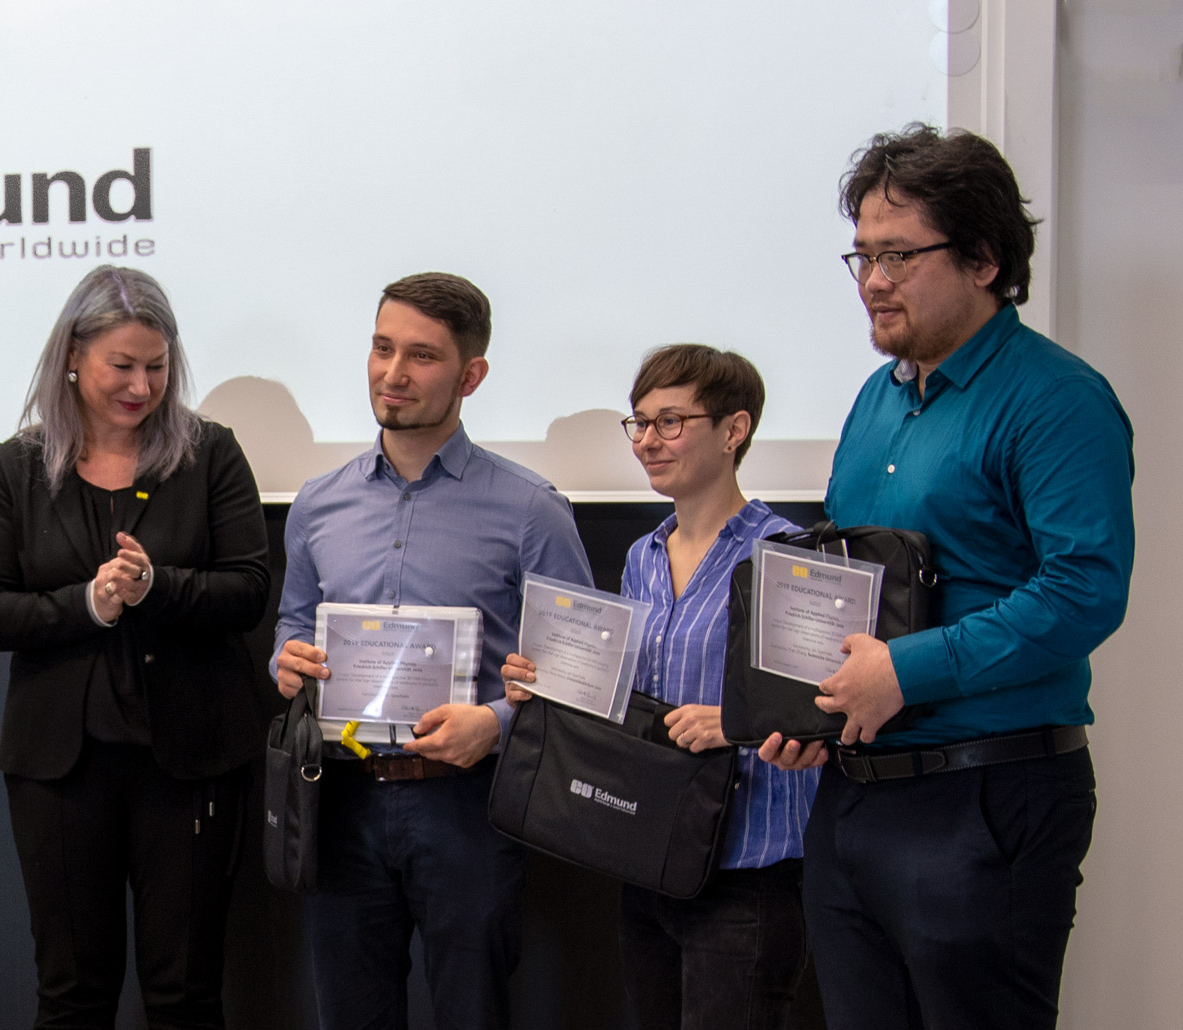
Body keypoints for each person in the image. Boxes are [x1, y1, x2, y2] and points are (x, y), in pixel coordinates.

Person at [758, 124, 1134, 1029]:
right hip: (853, 800)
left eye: (898, 255)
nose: (874, 281)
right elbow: (849, 573)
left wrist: (904, 673)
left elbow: (1084, 588)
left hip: (984, 797)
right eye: (862, 255)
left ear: (982, 257)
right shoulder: (876, 398)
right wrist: (803, 707)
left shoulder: (1056, 399)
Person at [272, 271, 594, 1029]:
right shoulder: (319, 503)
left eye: (420, 356)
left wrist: (497, 723)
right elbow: (291, 626)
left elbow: (582, 672)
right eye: (383, 348)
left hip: (469, 805)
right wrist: (284, 662)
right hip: (340, 797)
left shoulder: (531, 510)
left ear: (470, 375)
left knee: (473, 1014)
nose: (393, 373)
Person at [0, 265, 270, 1029]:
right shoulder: (16, 466)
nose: (142, 386)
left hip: (192, 758)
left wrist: (155, 588)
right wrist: (89, 605)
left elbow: (248, 592)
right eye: (122, 366)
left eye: (157, 367)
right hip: (61, 769)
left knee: (186, 991)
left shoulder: (211, 454)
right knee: (71, 992)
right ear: (73, 354)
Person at [504, 345, 818, 1030]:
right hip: (649, 857)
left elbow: (819, 710)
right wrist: (548, 686)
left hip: (746, 872)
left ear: (733, 430)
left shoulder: (789, 554)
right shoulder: (644, 556)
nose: (647, 441)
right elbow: (624, 700)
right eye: (639, 423)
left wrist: (733, 721)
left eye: (670, 422)